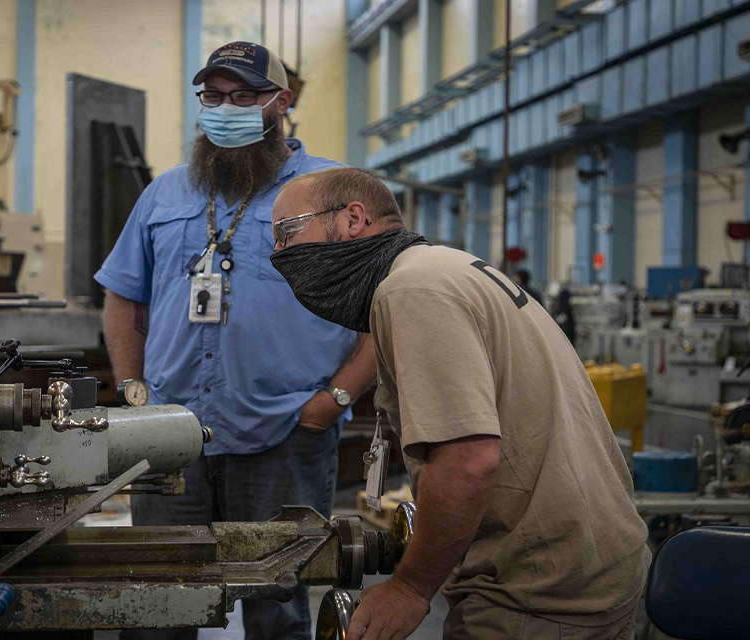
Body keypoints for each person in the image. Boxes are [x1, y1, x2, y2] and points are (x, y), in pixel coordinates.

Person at [269, 167, 651, 640]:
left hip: (538, 589)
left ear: (352, 219)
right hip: (587, 560)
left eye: (286, 232)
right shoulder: (441, 267)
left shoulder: (411, 290)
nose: (279, 255)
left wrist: (409, 588)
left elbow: (468, 460)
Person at [95, 43, 376, 639]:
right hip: (168, 434)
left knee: (277, 601)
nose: (227, 109)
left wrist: (336, 401)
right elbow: (122, 297)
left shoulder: (335, 193)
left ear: (282, 101)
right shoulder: (164, 194)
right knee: (157, 601)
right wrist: (130, 389)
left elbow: (386, 308)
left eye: (244, 97)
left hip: (284, 431)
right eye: (214, 97)